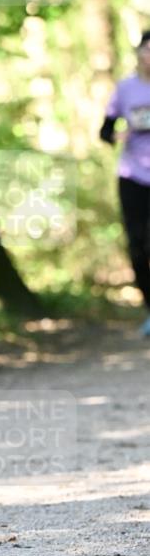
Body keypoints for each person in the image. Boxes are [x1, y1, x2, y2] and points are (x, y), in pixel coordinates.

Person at [99, 29, 150, 337]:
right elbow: (104, 130)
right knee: (137, 245)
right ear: (139, 55)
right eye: (147, 51)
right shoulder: (125, 89)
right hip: (132, 176)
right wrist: (117, 135)